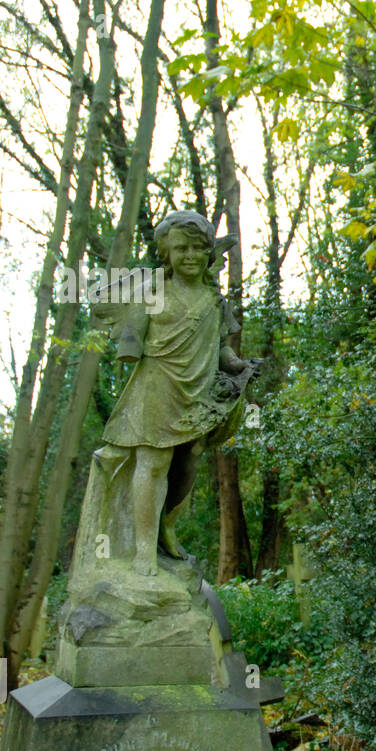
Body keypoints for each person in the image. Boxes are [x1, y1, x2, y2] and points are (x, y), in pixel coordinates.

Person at [96, 210, 258, 576]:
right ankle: (142, 550)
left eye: (198, 248)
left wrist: (238, 365)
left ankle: (167, 528)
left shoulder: (214, 301)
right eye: (180, 248)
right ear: (166, 253)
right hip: (155, 388)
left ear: (208, 254)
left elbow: (221, 349)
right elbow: (127, 333)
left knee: (190, 461)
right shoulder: (153, 289)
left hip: (197, 392)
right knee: (153, 464)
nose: (189, 255)